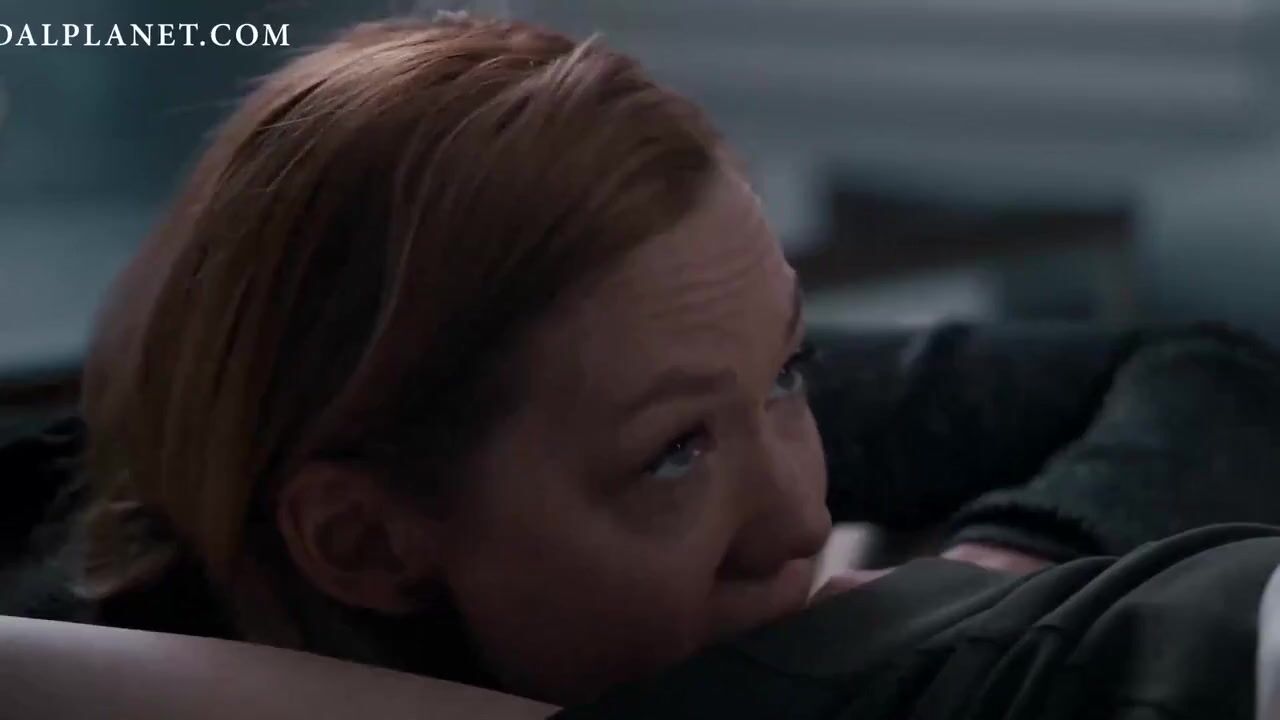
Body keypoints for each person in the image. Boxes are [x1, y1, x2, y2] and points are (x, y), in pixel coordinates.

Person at [5, 13, 1280, 717]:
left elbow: (1204, 373)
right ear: (365, 542)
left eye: (788, 370)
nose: (797, 518)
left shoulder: (664, 370)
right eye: (675, 458)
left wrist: (997, 568)